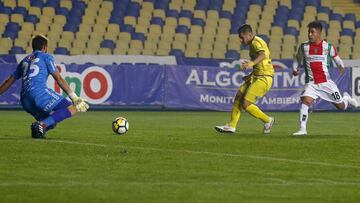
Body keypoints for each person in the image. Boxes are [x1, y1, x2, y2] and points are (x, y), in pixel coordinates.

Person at [0, 34, 89, 138]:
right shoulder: (46, 56)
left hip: (25, 100)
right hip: (39, 92)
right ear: (44, 47)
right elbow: (59, 79)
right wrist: (74, 97)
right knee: (74, 107)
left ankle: (39, 128)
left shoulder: (24, 61)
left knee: (51, 122)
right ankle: (41, 125)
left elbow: (8, 82)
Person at [292, 21, 358, 136]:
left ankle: (346, 98)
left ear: (319, 33)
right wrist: (295, 68)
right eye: (309, 32)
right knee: (305, 101)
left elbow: (336, 58)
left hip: (326, 83)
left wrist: (341, 66)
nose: (310, 35)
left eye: (312, 32)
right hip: (311, 83)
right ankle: (302, 129)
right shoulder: (304, 47)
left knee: (341, 106)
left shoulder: (328, 47)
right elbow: (297, 59)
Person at [215, 24, 275, 134]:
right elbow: (260, 64)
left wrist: (251, 63)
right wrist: (250, 75)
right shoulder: (252, 45)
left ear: (249, 34)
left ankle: (267, 120)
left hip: (264, 78)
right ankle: (231, 126)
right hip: (256, 76)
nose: (240, 40)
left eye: (242, 37)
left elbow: (263, 55)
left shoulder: (256, 42)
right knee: (239, 96)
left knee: (246, 104)